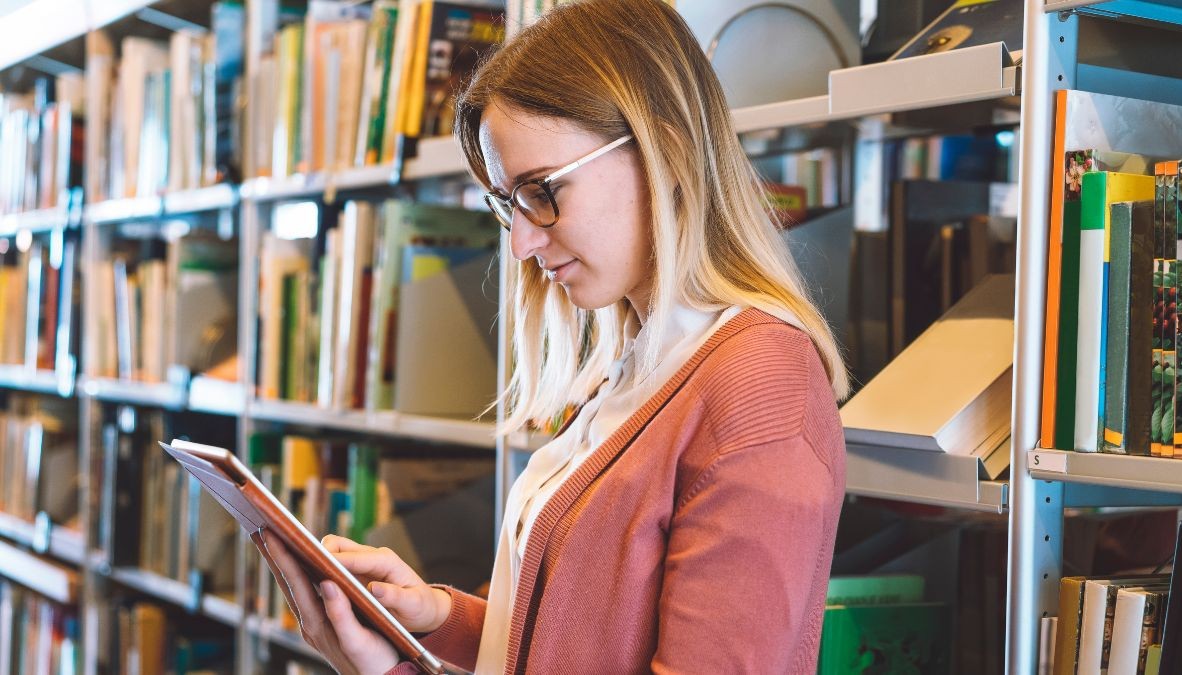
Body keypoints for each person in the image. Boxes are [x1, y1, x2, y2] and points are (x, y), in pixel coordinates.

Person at [254, 0, 849, 672]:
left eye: (542, 191)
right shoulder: (636, 363)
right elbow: (573, 643)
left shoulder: (759, 384)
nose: (522, 243)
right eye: (509, 202)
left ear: (670, 152)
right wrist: (439, 618)